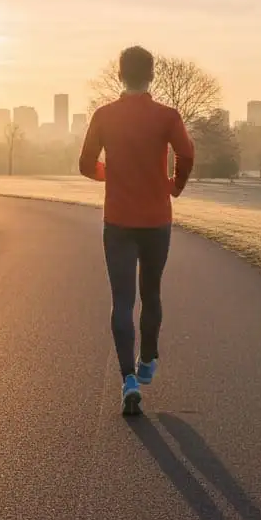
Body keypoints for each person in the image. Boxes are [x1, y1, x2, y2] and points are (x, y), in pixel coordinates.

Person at [78, 46, 195, 415]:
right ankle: (147, 361)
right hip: (157, 220)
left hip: (118, 221)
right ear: (152, 75)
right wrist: (174, 185)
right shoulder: (167, 116)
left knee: (123, 300)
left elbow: (84, 164)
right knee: (152, 292)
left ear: (119, 75)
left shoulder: (104, 115)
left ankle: (128, 378)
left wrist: (111, 173)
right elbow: (187, 154)